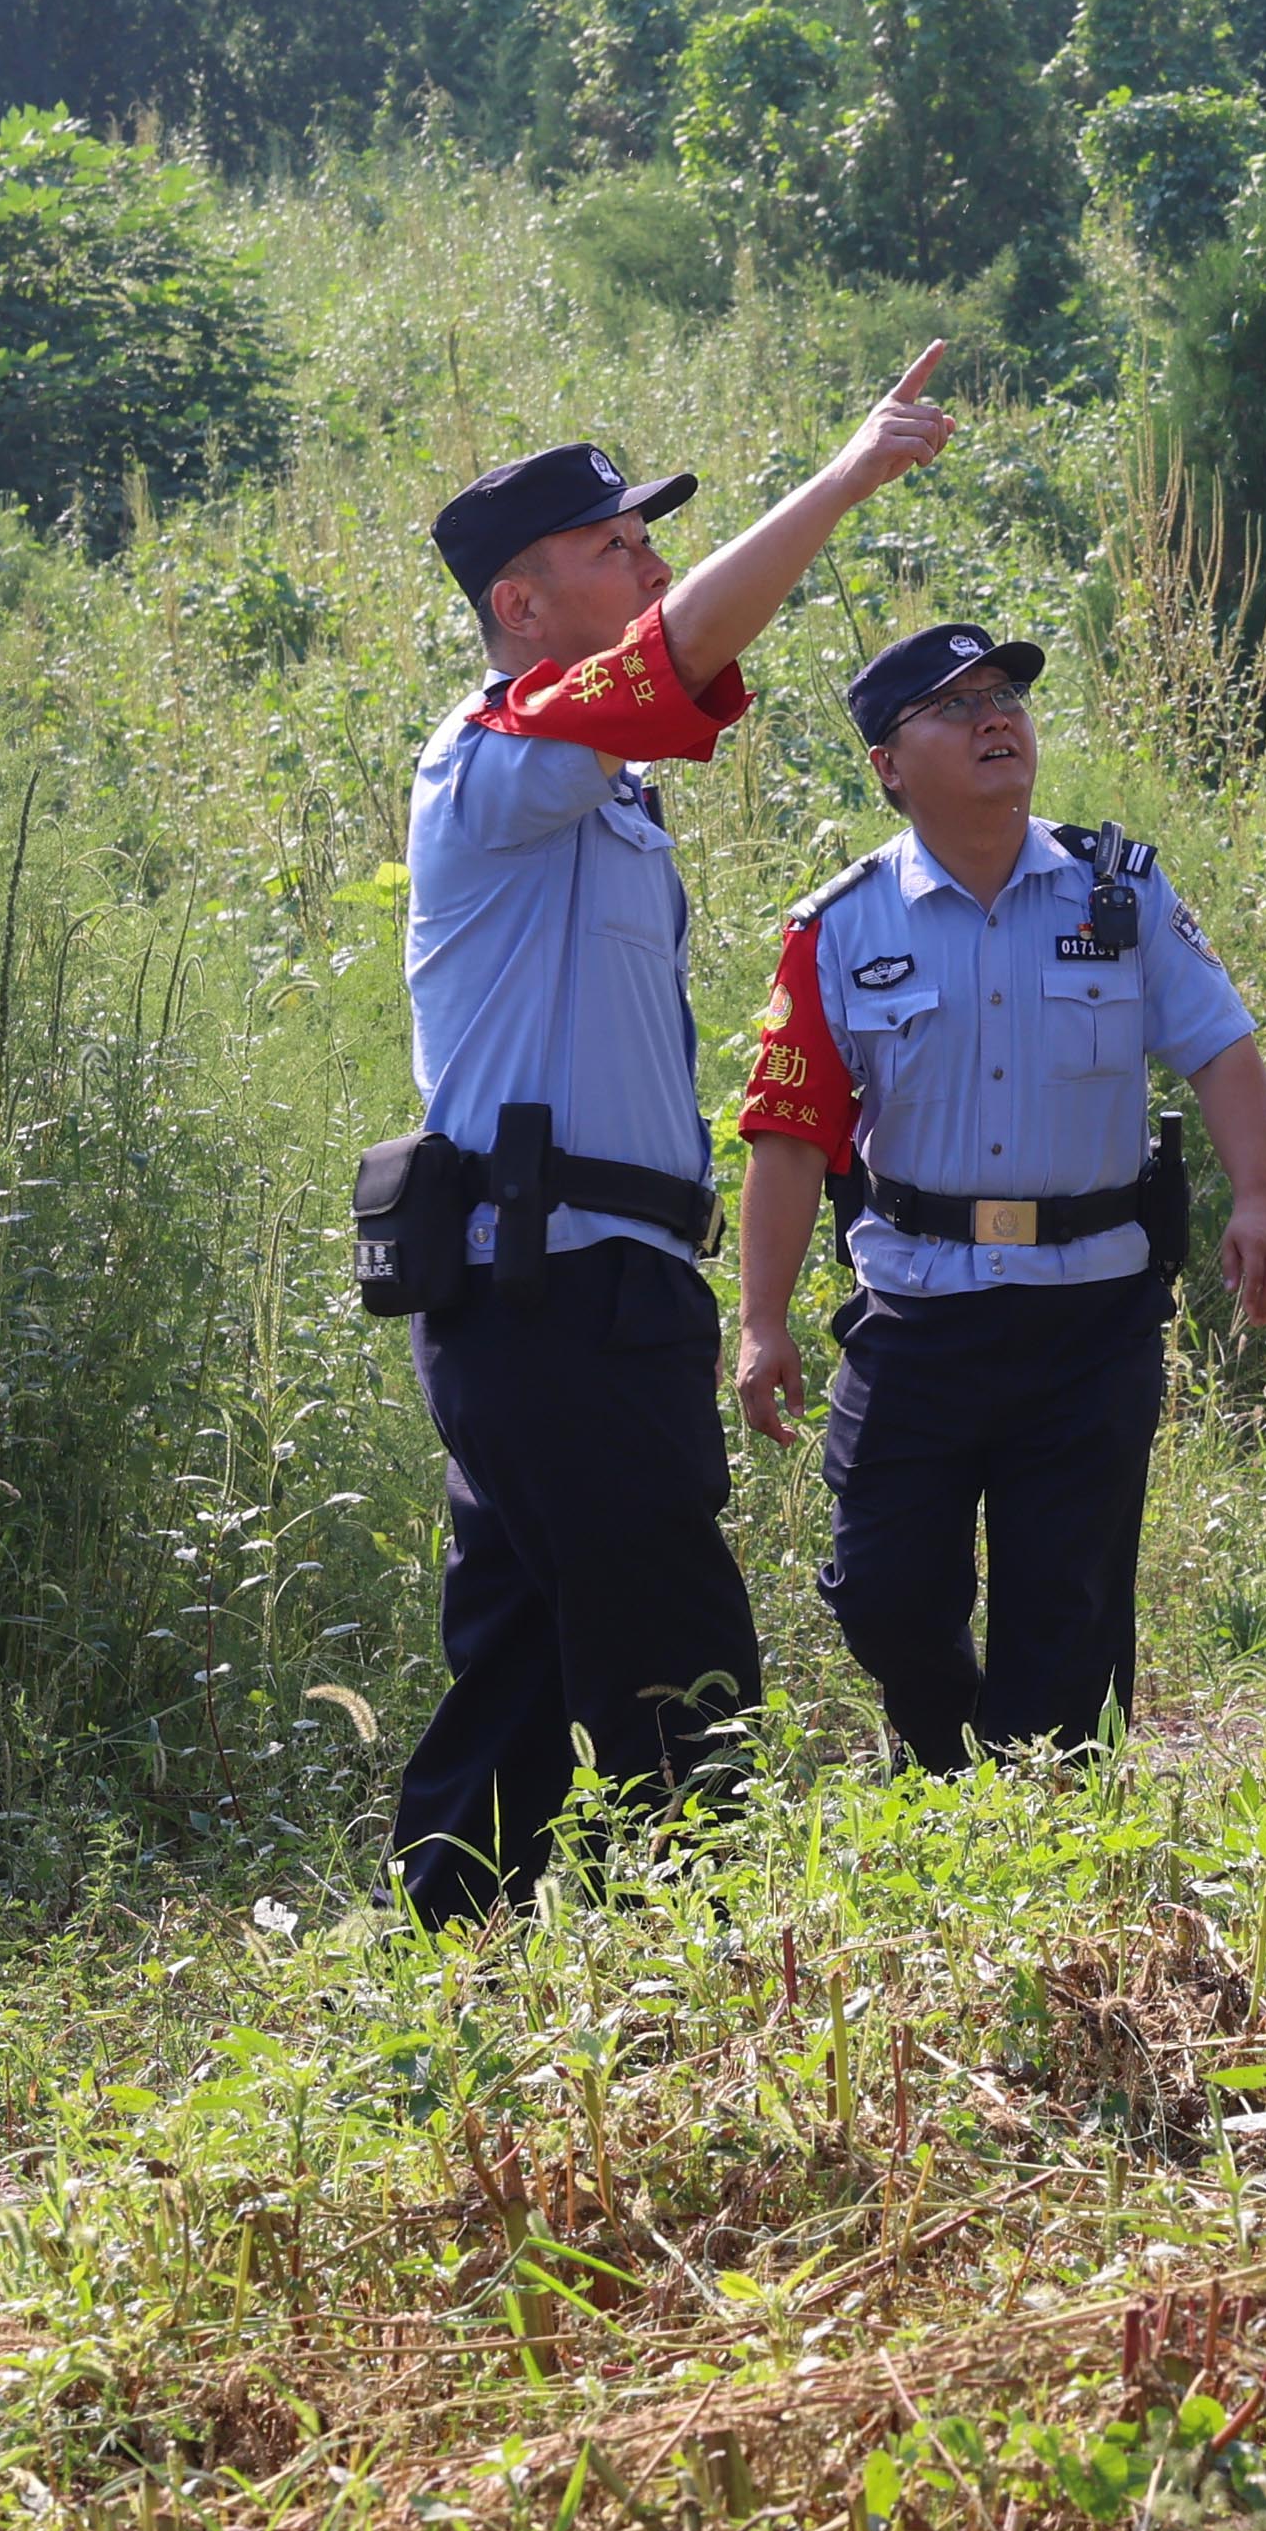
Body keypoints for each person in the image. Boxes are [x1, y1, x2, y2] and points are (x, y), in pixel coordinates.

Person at [361, 353, 954, 1919]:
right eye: (613, 545)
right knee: (671, 1657)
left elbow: (669, 666)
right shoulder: (493, 763)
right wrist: (842, 479)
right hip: (543, 1287)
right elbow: (683, 652)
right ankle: (697, 1988)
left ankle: (453, 1979)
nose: (649, 562)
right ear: (521, 602)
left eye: (647, 538)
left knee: (522, 1655)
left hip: (582, 1285)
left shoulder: (593, 784)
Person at [726, 620, 1266, 1766]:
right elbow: (788, 1138)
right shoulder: (839, 927)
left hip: (1088, 1316)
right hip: (915, 1316)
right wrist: (757, 1320)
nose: (996, 717)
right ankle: (940, 1754)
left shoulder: (1117, 890)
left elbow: (1220, 1046)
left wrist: (1260, 1197)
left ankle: (1050, 1822)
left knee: (1069, 1604)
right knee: (883, 1590)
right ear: (887, 763)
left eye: (1005, 696)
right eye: (955, 705)